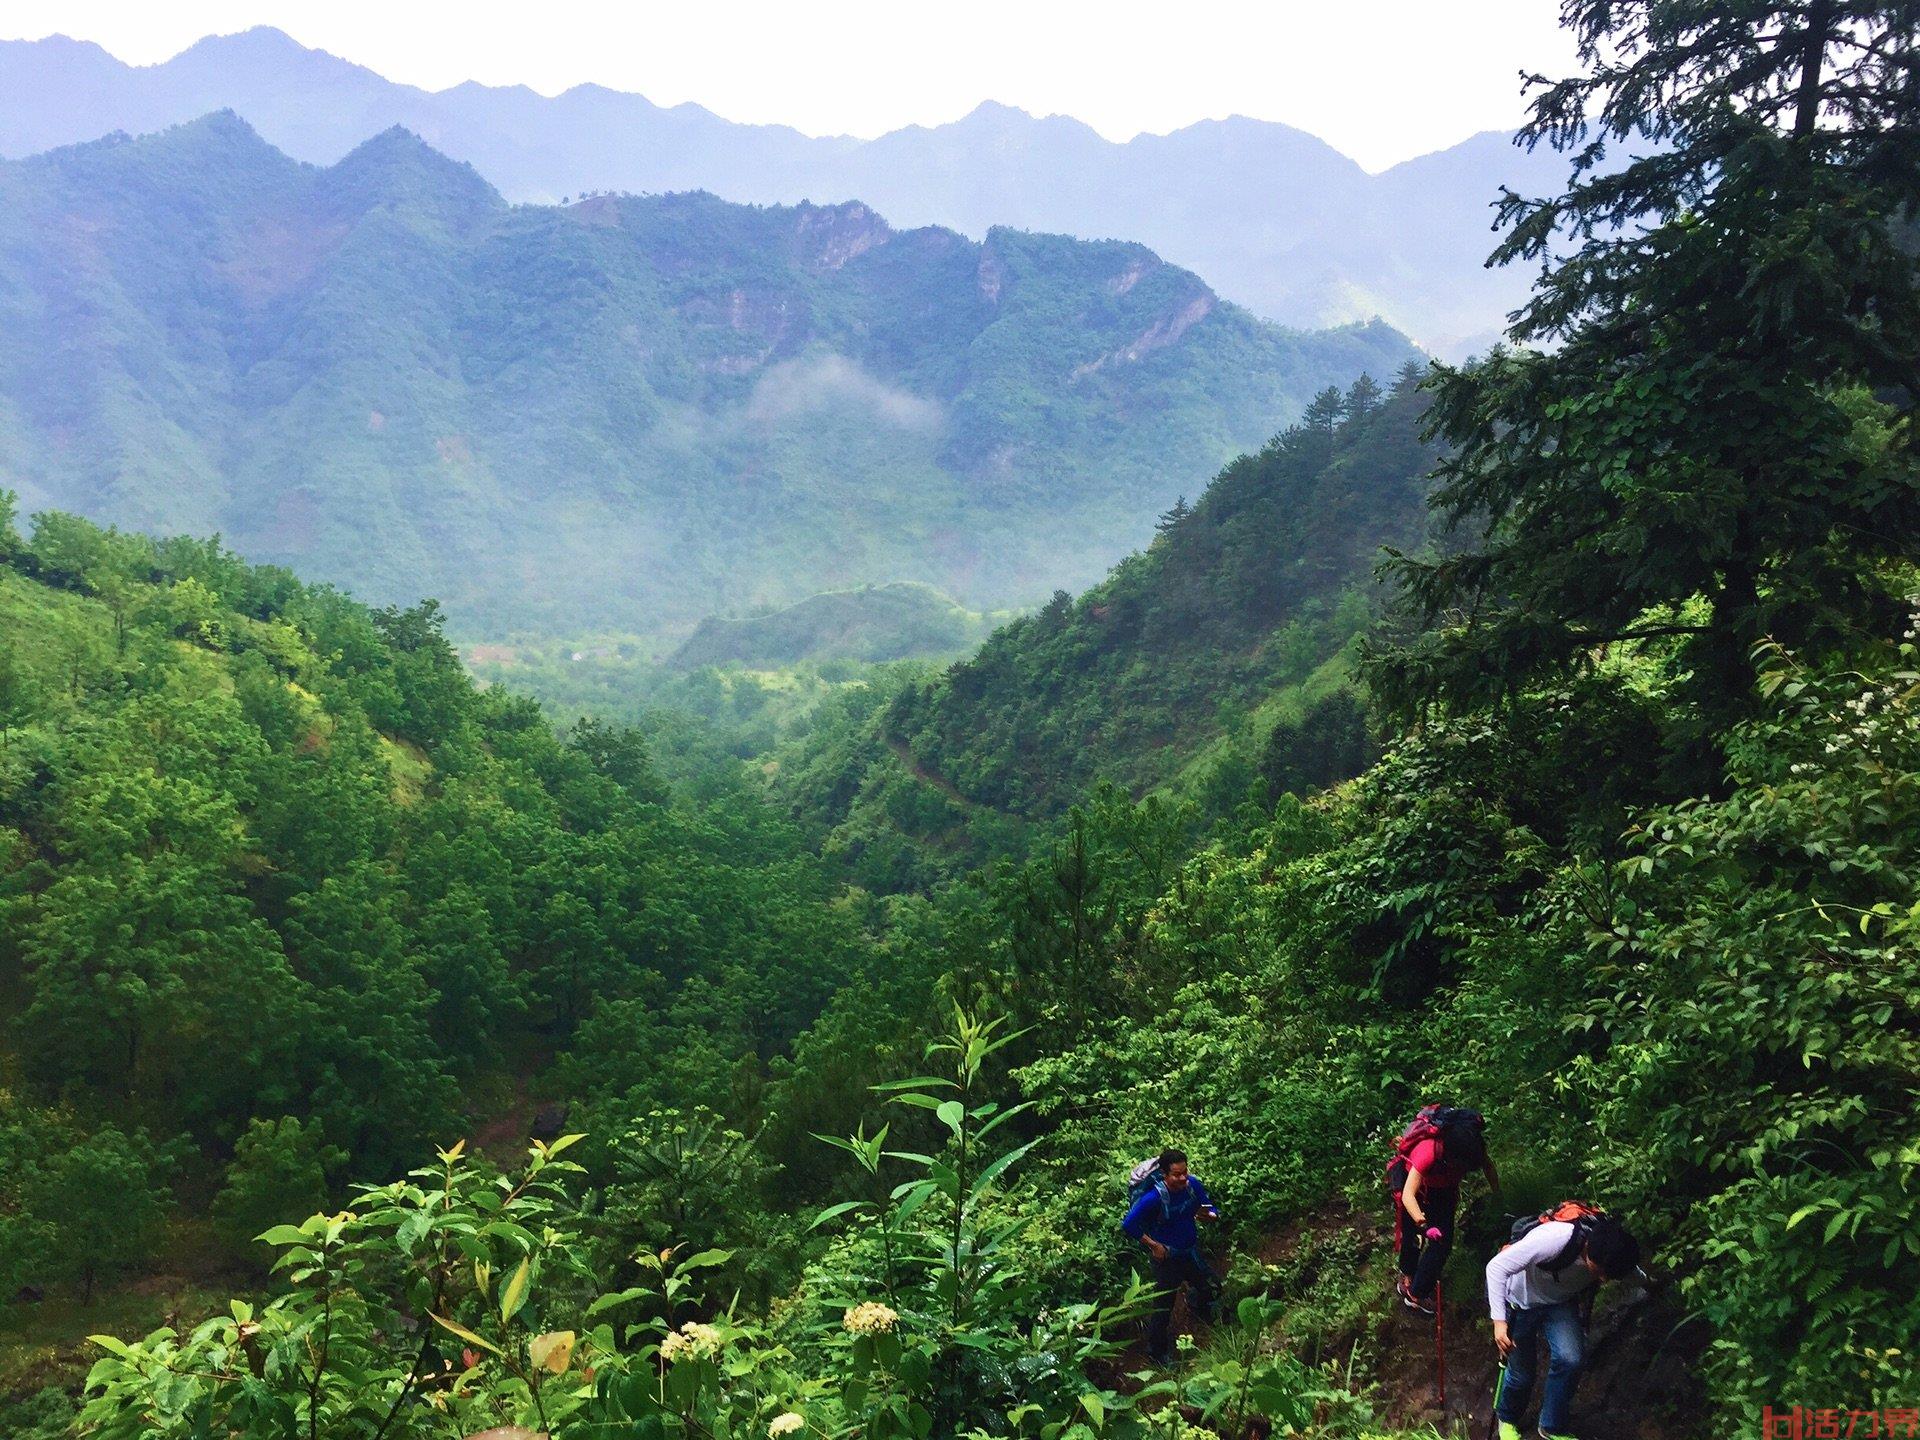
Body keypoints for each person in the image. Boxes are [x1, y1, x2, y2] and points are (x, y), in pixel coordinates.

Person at [1486, 1212, 1642, 1440]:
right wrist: (1499, 1323)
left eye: (1607, 1276)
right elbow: (1496, 1268)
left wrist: (1654, 1283)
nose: (1603, 1280)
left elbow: (1634, 1274)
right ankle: (1507, 1419)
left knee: (1571, 1358)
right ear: (1588, 1249)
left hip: (1558, 1304)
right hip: (1519, 1302)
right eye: (1598, 1272)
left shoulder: (1613, 1256)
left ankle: (1551, 1426)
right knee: (1522, 1374)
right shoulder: (1554, 1240)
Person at [1388, 1106, 1499, 1314]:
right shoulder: (1429, 1150)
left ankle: (1417, 1293)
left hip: (1444, 1190)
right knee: (1413, 1236)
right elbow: (1408, 1195)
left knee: (1442, 1243)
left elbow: (1489, 1168)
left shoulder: (1473, 1148)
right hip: (1416, 1188)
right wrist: (1423, 1224)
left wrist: (1498, 1196)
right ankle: (1408, 1275)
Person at [1120, 1148, 1219, 1363]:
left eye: (1184, 1172)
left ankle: (1199, 1307)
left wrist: (1210, 1215)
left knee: (1209, 1284)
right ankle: (1157, 1353)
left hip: (1190, 1251)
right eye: (1176, 1174)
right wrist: (1153, 1245)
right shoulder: (1153, 1198)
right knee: (1164, 1308)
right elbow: (1129, 1224)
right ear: (1165, 1174)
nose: (1182, 1178)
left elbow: (1210, 1207)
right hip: (1167, 1260)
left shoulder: (1193, 1186)